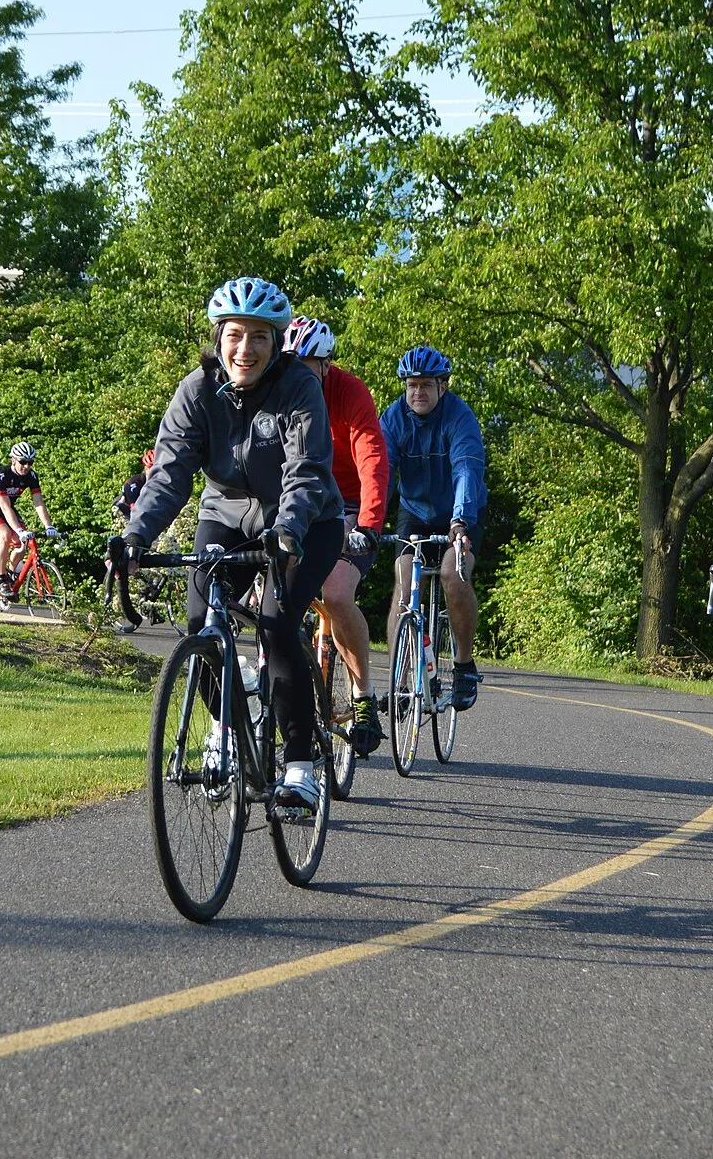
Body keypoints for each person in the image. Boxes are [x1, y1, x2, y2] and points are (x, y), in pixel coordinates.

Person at [111, 276, 346, 810]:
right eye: (235, 334)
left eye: (259, 336)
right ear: (219, 337)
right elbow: (169, 474)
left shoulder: (298, 388)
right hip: (226, 512)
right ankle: (226, 726)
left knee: (276, 621)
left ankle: (300, 764)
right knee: (200, 620)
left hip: (306, 521)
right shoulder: (196, 390)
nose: (246, 349)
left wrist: (287, 530)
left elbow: (307, 471)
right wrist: (135, 535)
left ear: (277, 341)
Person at [284, 315, 392, 755]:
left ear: (326, 366)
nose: (297, 376)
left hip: (347, 505)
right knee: (267, 594)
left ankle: (363, 697)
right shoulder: (276, 391)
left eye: (307, 366)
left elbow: (372, 459)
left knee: (337, 595)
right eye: (290, 365)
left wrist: (367, 524)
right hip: (296, 504)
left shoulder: (349, 392)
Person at [381, 345, 487, 710]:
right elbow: (380, 473)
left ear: (443, 386)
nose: (417, 393)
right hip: (414, 512)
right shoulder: (393, 419)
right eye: (411, 385)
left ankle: (463, 666)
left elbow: (466, 470)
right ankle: (399, 676)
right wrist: (368, 521)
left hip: (462, 511)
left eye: (426, 385)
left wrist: (460, 521)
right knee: (404, 580)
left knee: (452, 576)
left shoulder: (460, 418)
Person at [0, 442, 57, 597]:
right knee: (5, 535)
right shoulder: (0, 475)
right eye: (22, 462)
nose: (26, 466)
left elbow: (38, 502)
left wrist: (49, 526)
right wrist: (18, 530)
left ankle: (10, 575)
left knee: (23, 542)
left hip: (6, 507)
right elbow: (5, 508)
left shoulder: (31, 476)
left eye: (30, 463)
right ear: (13, 460)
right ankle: (0, 580)